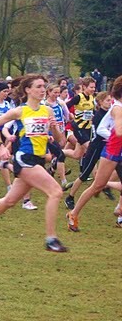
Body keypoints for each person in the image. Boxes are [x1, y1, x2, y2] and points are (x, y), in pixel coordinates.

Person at [0, 74, 68, 253]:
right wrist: (1, 147)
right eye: (38, 86)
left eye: (43, 86)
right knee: (55, 191)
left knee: (9, 201)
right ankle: (51, 239)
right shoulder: (20, 111)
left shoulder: (48, 111)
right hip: (25, 158)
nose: (42, 89)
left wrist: (54, 128)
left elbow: (60, 141)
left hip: (38, 159)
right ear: (28, 90)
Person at [66, 76, 122, 232]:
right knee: (97, 186)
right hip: (112, 150)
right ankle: (73, 213)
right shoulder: (117, 108)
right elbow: (118, 130)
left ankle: (120, 213)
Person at [65, 91, 112, 209]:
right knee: (84, 174)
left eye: (110, 100)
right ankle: (70, 197)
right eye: (107, 100)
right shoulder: (98, 116)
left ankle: (105, 187)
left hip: (106, 147)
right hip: (96, 147)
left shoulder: (109, 114)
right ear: (100, 102)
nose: (110, 102)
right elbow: (99, 134)